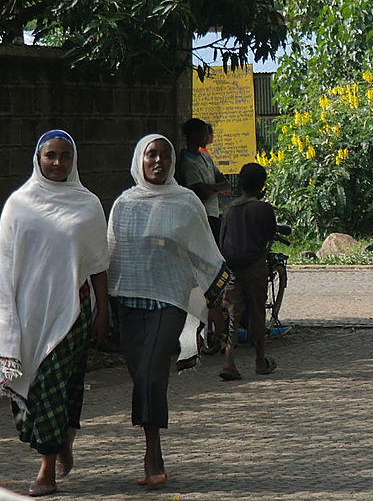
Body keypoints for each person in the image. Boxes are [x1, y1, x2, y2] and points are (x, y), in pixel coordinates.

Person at [0, 129, 109, 498]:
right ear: (38, 159)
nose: (58, 163)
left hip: (71, 314)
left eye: (65, 156)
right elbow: (6, 266)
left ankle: (47, 469)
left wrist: (103, 309)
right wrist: (7, 328)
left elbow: (97, 263)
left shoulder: (87, 204)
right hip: (28, 317)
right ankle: (64, 438)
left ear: (74, 160)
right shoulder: (18, 205)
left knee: (53, 387)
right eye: (51, 156)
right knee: (41, 394)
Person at [108, 134, 227, 487]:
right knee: (140, 374)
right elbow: (111, 254)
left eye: (164, 155)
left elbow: (205, 252)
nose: (158, 161)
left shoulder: (185, 202)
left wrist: (215, 302)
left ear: (172, 162)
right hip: (128, 303)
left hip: (169, 302)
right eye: (151, 155)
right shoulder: (124, 205)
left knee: (152, 373)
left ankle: (153, 451)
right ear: (138, 161)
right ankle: (150, 442)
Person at [218, 162, 279, 381]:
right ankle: (259, 360)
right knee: (257, 310)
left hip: (232, 267)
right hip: (254, 265)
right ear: (262, 186)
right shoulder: (263, 208)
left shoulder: (230, 209)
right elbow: (270, 233)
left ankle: (229, 360)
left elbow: (222, 239)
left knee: (233, 313)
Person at [177, 117, 231, 240]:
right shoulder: (187, 162)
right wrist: (217, 188)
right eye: (203, 132)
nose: (207, 136)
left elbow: (226, 184)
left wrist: (211, 188)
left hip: (213, 215)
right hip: (200, 217)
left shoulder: (205, 157)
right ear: (193, 135)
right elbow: (202, 193)